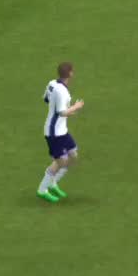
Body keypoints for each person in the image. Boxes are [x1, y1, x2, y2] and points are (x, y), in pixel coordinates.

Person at [37, 62, 86, 203]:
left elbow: (46, 99)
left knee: (73, 155)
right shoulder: (63, 92)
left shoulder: (52, 83)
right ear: (70, 73)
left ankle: (53, 183)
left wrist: (63, 108)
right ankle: (42, 190)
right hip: (54, 133)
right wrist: (76, 107)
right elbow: (62, 113)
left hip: (62, 131)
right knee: (60, 162)